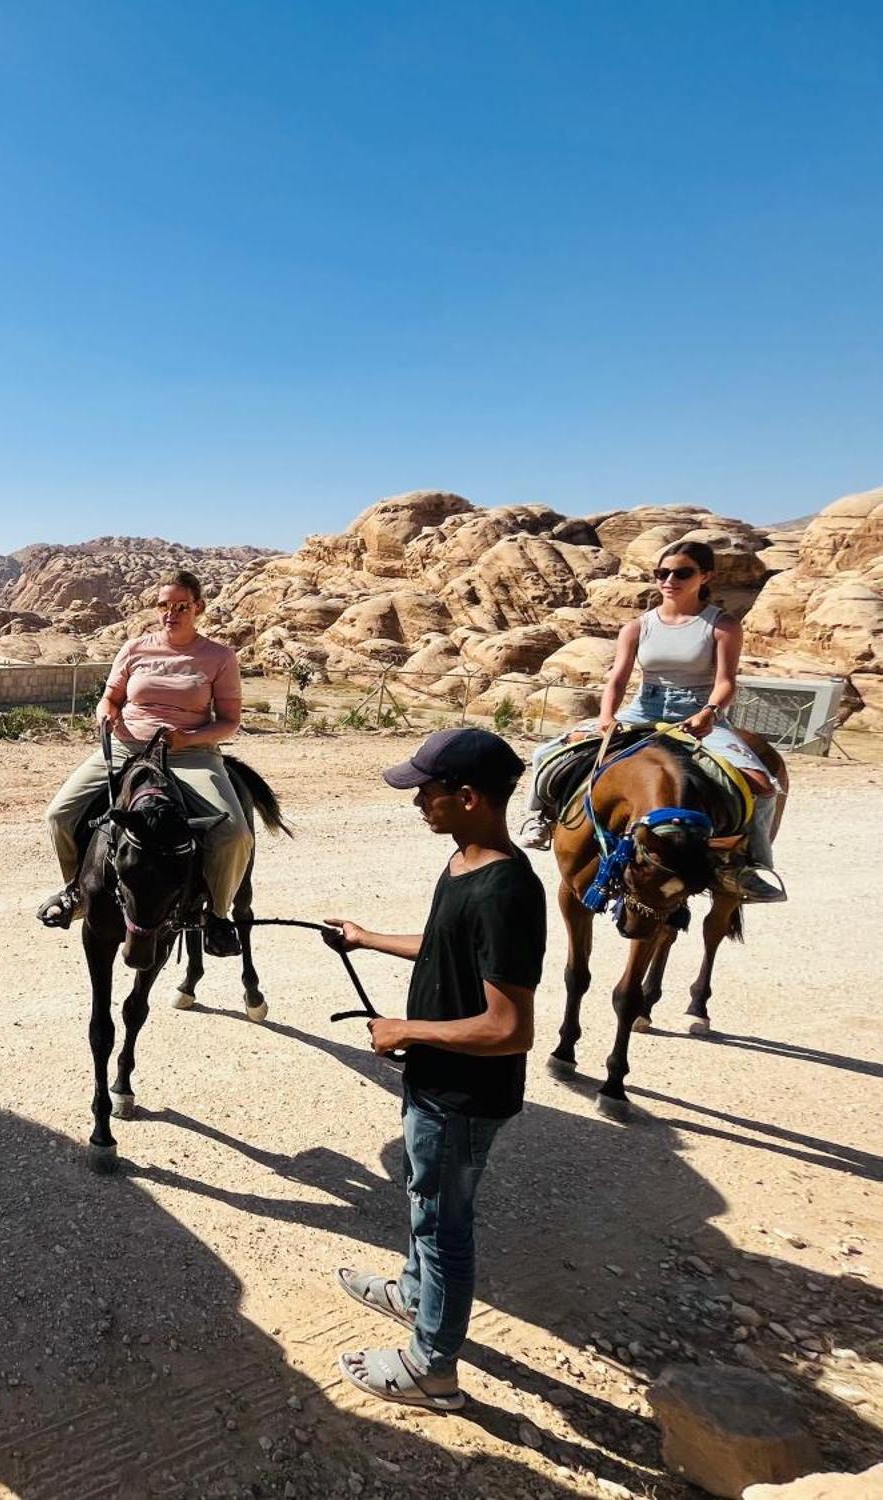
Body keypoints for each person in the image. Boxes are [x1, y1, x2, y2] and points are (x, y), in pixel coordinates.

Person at [321, 727, 543, 1411]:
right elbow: (444, 946)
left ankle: (432, 1369)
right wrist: (365, 937)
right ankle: (416, 1295)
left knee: (444, 1228)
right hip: (436, 1083)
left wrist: (406, 1030)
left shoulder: (506, 890)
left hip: (464, 1094)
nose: (418, 802)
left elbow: (510, 1027)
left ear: (469, 797)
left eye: (428, 791)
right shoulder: (463, 865)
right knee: (425, 1207)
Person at [518, 540, 782, 902]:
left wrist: (709, 713)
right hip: (644, 708)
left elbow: (726, 682)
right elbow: (618, 679)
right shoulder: (639, 626)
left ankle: (751, 865)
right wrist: (608, 716)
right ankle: (542, 819)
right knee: (549, 751)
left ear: (705, 576)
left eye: (681, 573)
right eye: (662, 573)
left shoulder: (721, 625)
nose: (669, 580)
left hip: (699, 713)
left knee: (762, 784)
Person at [36, 570, 252, 954]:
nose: (171, 614)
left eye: (181, 606)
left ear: (198, 607)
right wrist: (105, 714)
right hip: (127, 744)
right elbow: (111, 698)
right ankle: (76, 893)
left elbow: (229, 722)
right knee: (59, 814)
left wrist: (188, 738)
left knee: (234, 833)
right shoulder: (136, 648)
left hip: (190, 753)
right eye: (163, 606)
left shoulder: (219, 657)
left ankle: (217, 918)